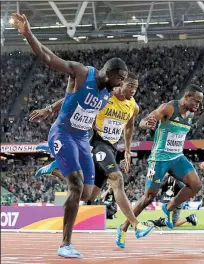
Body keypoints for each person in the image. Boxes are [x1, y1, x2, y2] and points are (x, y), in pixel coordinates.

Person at [10, 12, 132, 258]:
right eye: (120, 80)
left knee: (87, 194)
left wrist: (51, 106)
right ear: (111, 73)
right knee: (75, 187)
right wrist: (27, 34)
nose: (120, 85)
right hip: (63, 134)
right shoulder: (80, 73)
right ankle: (65, 244)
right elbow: (48, 57)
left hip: (81, 140)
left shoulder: (108, 93)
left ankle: (55, 168)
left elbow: (66, 100)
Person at [30, 74, 154, 246]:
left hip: (111, 148)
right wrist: (49, 109)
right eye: (130, 85)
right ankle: (136, 225)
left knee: (89, 195)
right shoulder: (106, 95)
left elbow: (129, 127)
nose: (133, 90)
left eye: (136, 87)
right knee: (116, 179)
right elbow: (73, 99)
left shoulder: (133, 106)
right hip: (96, 142)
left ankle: (56, 170)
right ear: (119, 84)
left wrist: (127, 150)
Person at [116, 84, 204, 248]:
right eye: (196, 101)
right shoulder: (169, 108)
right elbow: (144, 121)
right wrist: (146, 123)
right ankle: (123, 228)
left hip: (177, 157)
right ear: (187, 96)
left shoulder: (191, 115)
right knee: (148, 197)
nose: (198, 105)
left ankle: (169, 206)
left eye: (200, 103)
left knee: (196, 185)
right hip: (159, 159)